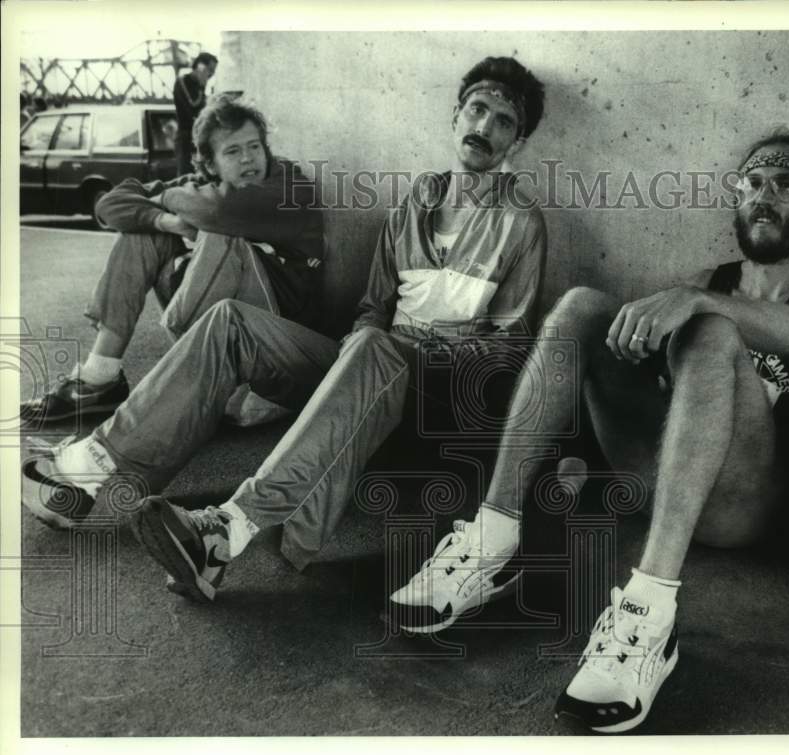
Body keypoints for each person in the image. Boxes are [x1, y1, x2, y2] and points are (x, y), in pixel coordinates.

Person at [387, 133, 789, 734]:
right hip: (661, 480)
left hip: (743, 507)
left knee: (712, 330)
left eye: (786, 183)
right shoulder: (709, 278)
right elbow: (651, 387)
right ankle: (490, 540)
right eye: (752, 182)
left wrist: (698, 303)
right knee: (581, 307)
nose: (764, 195)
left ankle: (648, 610)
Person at [23, 56, 548, 601]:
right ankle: (93, 470)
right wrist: (349, 365)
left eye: (503, 122)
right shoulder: (415, 203)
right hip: (372, 371)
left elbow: (506, 355)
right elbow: (372, 307)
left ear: (517, 144)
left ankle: (227, 530)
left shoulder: (522, 222)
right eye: (477, 110)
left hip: (436, 406)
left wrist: (404, 351)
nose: (484, 127)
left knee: (374, 345)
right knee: (231, 323)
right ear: (455, 116)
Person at [20, 94, 325, 428]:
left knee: (221, 237)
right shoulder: (200, 187)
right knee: (144, 232)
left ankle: (184, 385)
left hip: (278, 353)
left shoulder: (289, 185)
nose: (249, 159)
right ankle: (100, 377)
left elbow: (219, 210)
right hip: (216, 338)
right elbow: (110, 204)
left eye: (255, 147)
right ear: (210, 164)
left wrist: (164, 198)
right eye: (233, 151)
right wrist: (167, 221)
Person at [173, 52, 218, 175]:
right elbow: (194, 105)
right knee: (185, 175)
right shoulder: (183, 81)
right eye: (210, 69)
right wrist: (203, 86)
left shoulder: (199, 86)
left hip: (198, 135)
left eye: (213, 71)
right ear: (200, 66)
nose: (211, 74)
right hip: (186, 137)